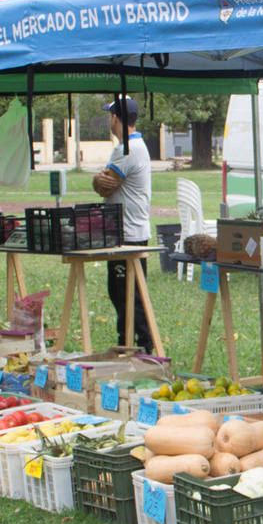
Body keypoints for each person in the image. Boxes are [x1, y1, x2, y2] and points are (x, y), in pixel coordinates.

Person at [97, 96, 152, 350]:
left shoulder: (126, 149)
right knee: (127, 294)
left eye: (110, 115)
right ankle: (127, 343)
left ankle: (140, 345)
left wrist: (96, 179)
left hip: (127, 234)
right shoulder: (135, 145)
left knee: (127, 295)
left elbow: (105, 186)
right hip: (132, 231)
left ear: (115, 118)